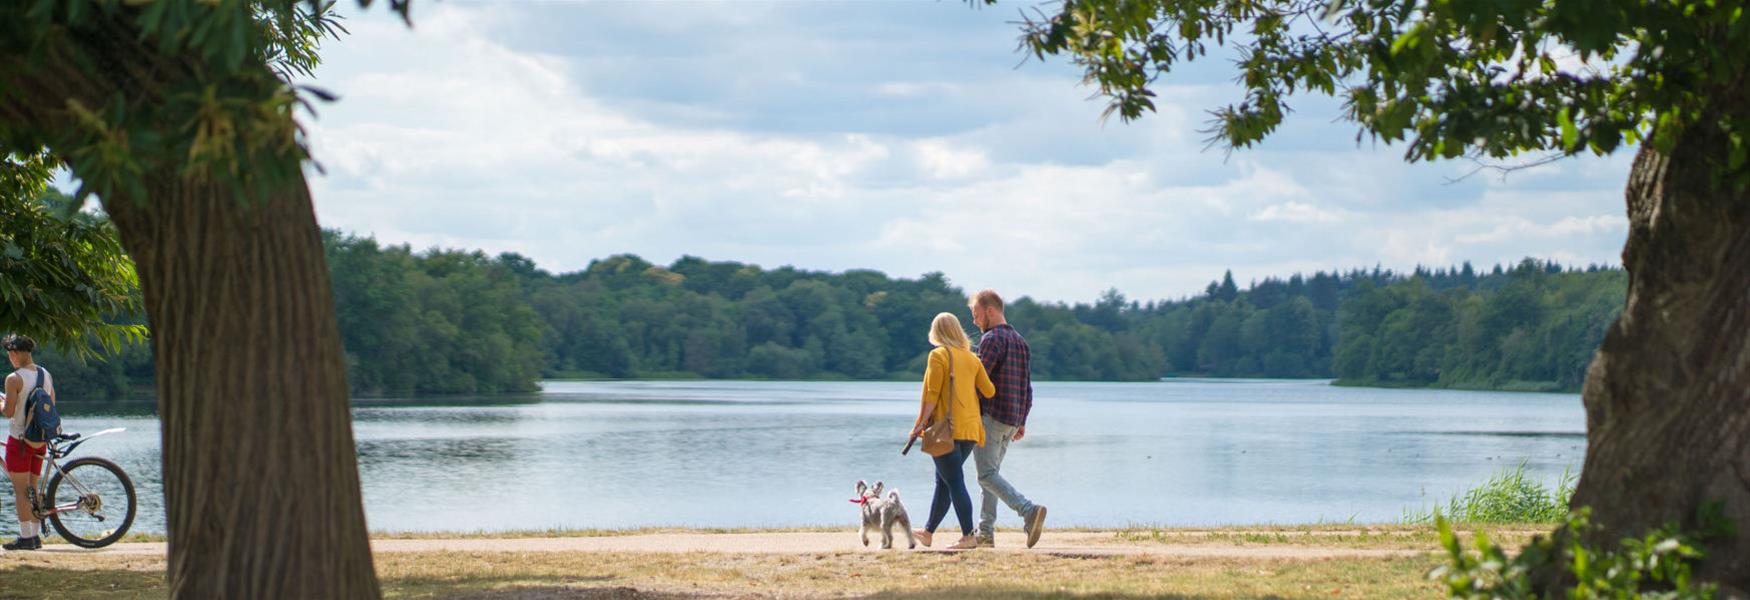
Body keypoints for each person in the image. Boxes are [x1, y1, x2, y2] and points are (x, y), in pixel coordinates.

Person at [909, 312, 995, 551]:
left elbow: (932, 395)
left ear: (937, 332)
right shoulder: (972, 358)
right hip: (970, 430)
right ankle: (927, 532)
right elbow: (989, 391)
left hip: (945, 430)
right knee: (944, 481)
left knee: (954, 481)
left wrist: (919, 426)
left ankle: (969, 537)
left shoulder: (938, 355)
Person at [968, 290, 1047, 549]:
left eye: (977, 315)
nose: (975, 321)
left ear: (990, 311)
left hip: (991, 416)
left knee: (986, 475)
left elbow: (978, 381)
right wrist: (1022, 420)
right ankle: (986, 533)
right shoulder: (1021, 341)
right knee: (992, 475)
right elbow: (1027, 387)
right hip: (1011, 419)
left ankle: (1027, 510)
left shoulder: (991, 340)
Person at [2, 334, 51, 551]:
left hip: (20, 441)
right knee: (33, 487)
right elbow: (50, 406)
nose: (9, 359)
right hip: (39, 441)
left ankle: (25, 537)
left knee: (20, 490)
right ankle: (35, 536)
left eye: (9, 355)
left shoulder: (13, 379)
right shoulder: (45, 374)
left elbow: (9, 412)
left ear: (14, 353)